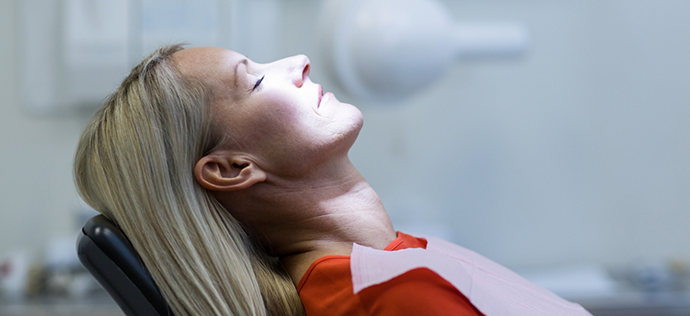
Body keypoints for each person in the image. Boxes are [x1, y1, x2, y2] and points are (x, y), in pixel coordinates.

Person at [74, 45, 591, 316]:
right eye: (255, 79)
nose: (298, 62)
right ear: (232, 169)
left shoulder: (388, 268)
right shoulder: (390, 297)